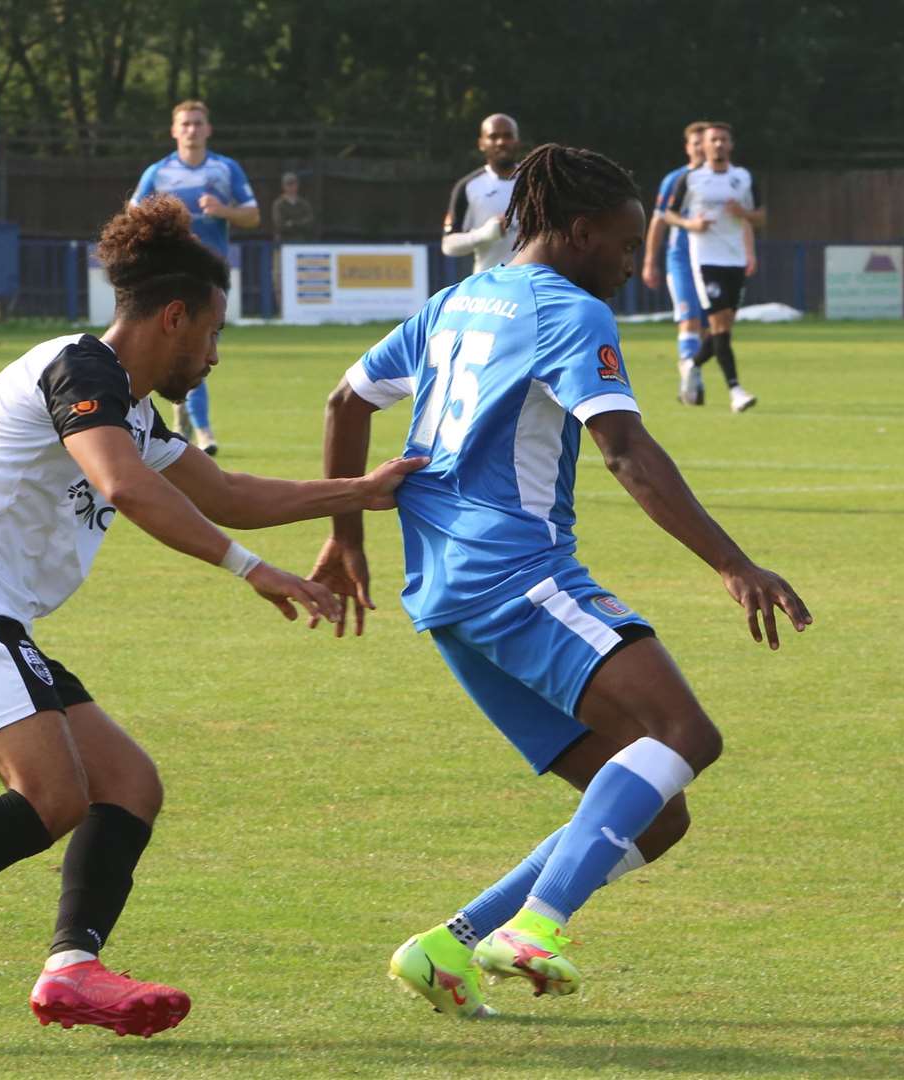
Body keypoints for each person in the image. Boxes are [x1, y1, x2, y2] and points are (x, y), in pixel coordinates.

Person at [0, 195, 423, 1047]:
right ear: (174, 316)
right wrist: (249, 568)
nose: (215, 356)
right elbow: (124, 486)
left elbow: (228, 492)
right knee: (52, 797)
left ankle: (69, 969)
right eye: (213, 334)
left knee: (128, 784)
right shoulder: (80, 371)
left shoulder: (129, 407)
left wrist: (358, 493)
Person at [309, 143, 812, 1018]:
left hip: (444, 595)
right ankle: (537, 925)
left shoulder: (455, 300)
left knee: (653, 813)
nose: (628, 264)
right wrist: (732, 564)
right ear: (578, 233)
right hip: (515, 573)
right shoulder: (569, 313)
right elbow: (623, 449)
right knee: (684, 733)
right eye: (621, 246)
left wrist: (345, 535)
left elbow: (344, 401)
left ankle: (448, 949)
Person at [132, 99, 260, 456]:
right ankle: (201, 429)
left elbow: (253, 215)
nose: (191, 129)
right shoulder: (158, 172)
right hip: (171, 273)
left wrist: (224, 211)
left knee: (196, 346)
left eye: (197, 123)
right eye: (185, 124)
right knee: (186, 345)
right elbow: (132, 216)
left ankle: (184, 414)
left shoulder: (225, 169)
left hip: (210, 274)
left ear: (208, 129)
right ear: (174, 130)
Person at [661, 122, 764, 413]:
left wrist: (744, 214)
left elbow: (761, 216)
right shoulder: (692, 179)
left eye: (723, 140)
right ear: (703, 146)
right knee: (719, 326)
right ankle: (736, 390)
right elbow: (667, 214)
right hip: (705, 260)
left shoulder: (742, 178)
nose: (718, 144)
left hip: (735, 260)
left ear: (731, 145)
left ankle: (691, 364)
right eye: (713, 140)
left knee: (723, 329)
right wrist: (690, 224)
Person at [642, 121, 710, 405]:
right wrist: (649, 261)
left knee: (709, 327)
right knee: (689, 317)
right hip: (680, 258)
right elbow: (659, 219)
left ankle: (693, 371)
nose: (700, 148)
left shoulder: (721, 179)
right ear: (687, 147)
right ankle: (689, 377)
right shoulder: (676, 179)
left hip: (711, 260)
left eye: (703, 143)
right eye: (695, 143)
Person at [441, 114, 521, 273]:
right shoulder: (469, 186)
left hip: (532, 285)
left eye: (508, 136)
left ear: (517, 141)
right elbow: (448, 246)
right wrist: (485, 234)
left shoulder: (537, 183)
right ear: (481, 143)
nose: (501, 142)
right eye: (493, 136)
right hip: (489, 286)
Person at [270, 171, 316, 311]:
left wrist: (292, 224)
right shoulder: (279, 204)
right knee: (280, 278)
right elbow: (280, 225)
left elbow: (310, 223)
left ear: (297, 185)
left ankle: (302, 309)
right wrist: (297, 224)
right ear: (283, 186)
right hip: (282, 246)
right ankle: (282, 309)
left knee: (302, 278)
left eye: (293, 184)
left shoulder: (303, 204)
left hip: (300, 246)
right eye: (288, 184)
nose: (291, 187)